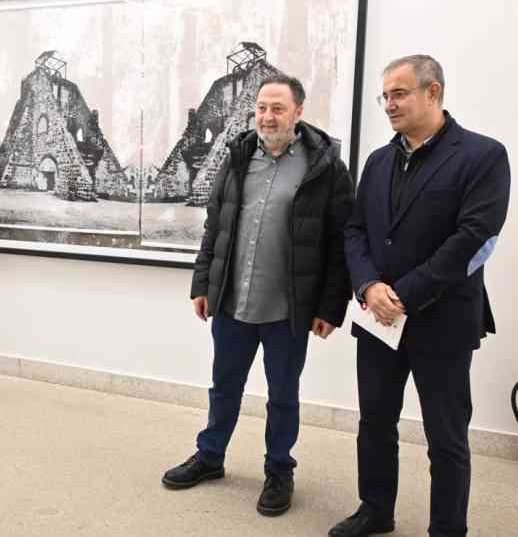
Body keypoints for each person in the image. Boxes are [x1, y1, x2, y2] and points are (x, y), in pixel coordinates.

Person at [331, 55, 510, 537]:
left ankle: (448, 529)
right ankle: (375, 510)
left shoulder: (482, 155)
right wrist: (369, 286)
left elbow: (473, 238)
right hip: (378, 318)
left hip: (442, 320)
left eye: (400, 93)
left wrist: (402, 295)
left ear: (433, 93)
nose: (389, 104)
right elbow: (355, 231)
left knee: (445, 437)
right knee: (375, 422)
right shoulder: (378, 159)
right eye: (385, 95)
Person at [162, 74, 354, 517]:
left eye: (278, 108)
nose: (268, 116)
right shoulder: (238, 156)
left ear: (298, 112)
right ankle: (210, 456)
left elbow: (340, 242)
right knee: (223, 387)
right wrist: (203, 283)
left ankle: (279, 470)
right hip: (232, 300)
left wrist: (330, 306)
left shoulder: (325, 166)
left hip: (289, 310)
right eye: (262, 108)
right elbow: (217, 225)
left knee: (283, 395)